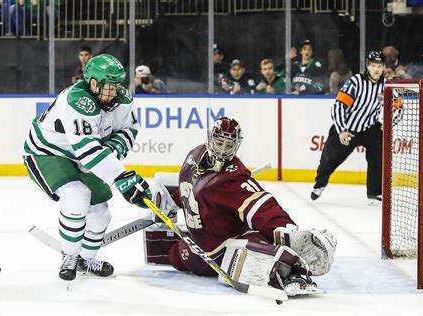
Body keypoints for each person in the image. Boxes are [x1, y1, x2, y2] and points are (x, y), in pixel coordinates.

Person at [150, 117, 337, 297]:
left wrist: (286, 230)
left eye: (229, 145)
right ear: (210, 139)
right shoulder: (194, 156)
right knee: (175, 256)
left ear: (237, 146)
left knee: (255, 245)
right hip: (201, 250)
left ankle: (292, 273)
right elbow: (189, 189)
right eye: (219, 142)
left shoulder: (233, 176)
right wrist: (171, 202)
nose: (223, 150)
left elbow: (263, 206)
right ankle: (281, 263)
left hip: (223, 246)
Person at [22, 54, 152, 281]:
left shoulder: (123, 99)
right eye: (107, 86)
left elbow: (130, 129)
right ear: (92, 82)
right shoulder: (77, 100)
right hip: (47, 153)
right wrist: (123, 178)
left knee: (101, 214)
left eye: (116, 86)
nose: (113, 92)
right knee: (75, 196)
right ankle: (70, 256)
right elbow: (89, 151)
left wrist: (113, 149)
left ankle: (86, 260)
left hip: (82, 156)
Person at [311, 51, 387, 204]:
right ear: (367, 66)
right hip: (347, 127)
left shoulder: (387, 85)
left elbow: (397, 106)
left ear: (384, 67)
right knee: (328, 160)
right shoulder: (356, 82)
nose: (376, 69)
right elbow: (338, 106)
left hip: (369, 127)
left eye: (380, 66)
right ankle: (319, 184)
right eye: (373, 65)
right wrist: (341, 130)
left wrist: (388, 123)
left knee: (379, 157)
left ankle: (374, 192)